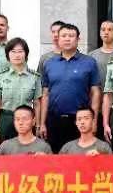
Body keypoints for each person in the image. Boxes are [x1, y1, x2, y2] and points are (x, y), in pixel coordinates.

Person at [39, 23, 101, 153]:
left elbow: (95, 93)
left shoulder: (89, 62)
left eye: (71, 36)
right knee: (55, 158)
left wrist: (94, 120)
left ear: (78, 39)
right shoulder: (49, 63)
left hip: (80, 120)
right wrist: (42, 123)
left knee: (80, 156)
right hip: (54, 119)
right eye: (64, 36)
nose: (67, 39)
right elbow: (45, 94)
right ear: (58, 39)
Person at [59, 107, 113, 193]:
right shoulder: (67, 147)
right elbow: (58, 171)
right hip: (73, 190)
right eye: (79, 119)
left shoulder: (103, 147)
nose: (82, 122)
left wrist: (100, 160)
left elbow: (112, 173)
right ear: (76, 123)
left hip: (93, 191)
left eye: (86, 118)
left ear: (94, 121)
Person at [0, 37, 42, 148]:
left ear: (26, 54)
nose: (17, 55)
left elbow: (37, 104)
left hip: (27, 119)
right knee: (6, 151)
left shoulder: (34, 77)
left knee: (26, 151)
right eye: (13, 52)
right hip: (6, 119)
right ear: (8, 55)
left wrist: (37, 126)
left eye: (20, 51)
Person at [88, 19, 113, 89]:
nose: (106, 32)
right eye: (103, 30)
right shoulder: (91, 56)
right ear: (100, 33)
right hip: (96, 94)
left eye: (110, 30)